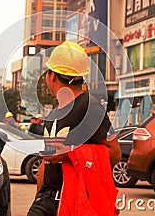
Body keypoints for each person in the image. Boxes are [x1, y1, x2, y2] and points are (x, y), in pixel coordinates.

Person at [27, 42, 121, 216]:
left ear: (52, 76)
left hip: (74, 201)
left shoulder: (89, 107)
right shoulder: (53, 114)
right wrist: (38, 198)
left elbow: (114, 153)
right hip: (47, 201)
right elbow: (47, 162)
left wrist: (71, 153)